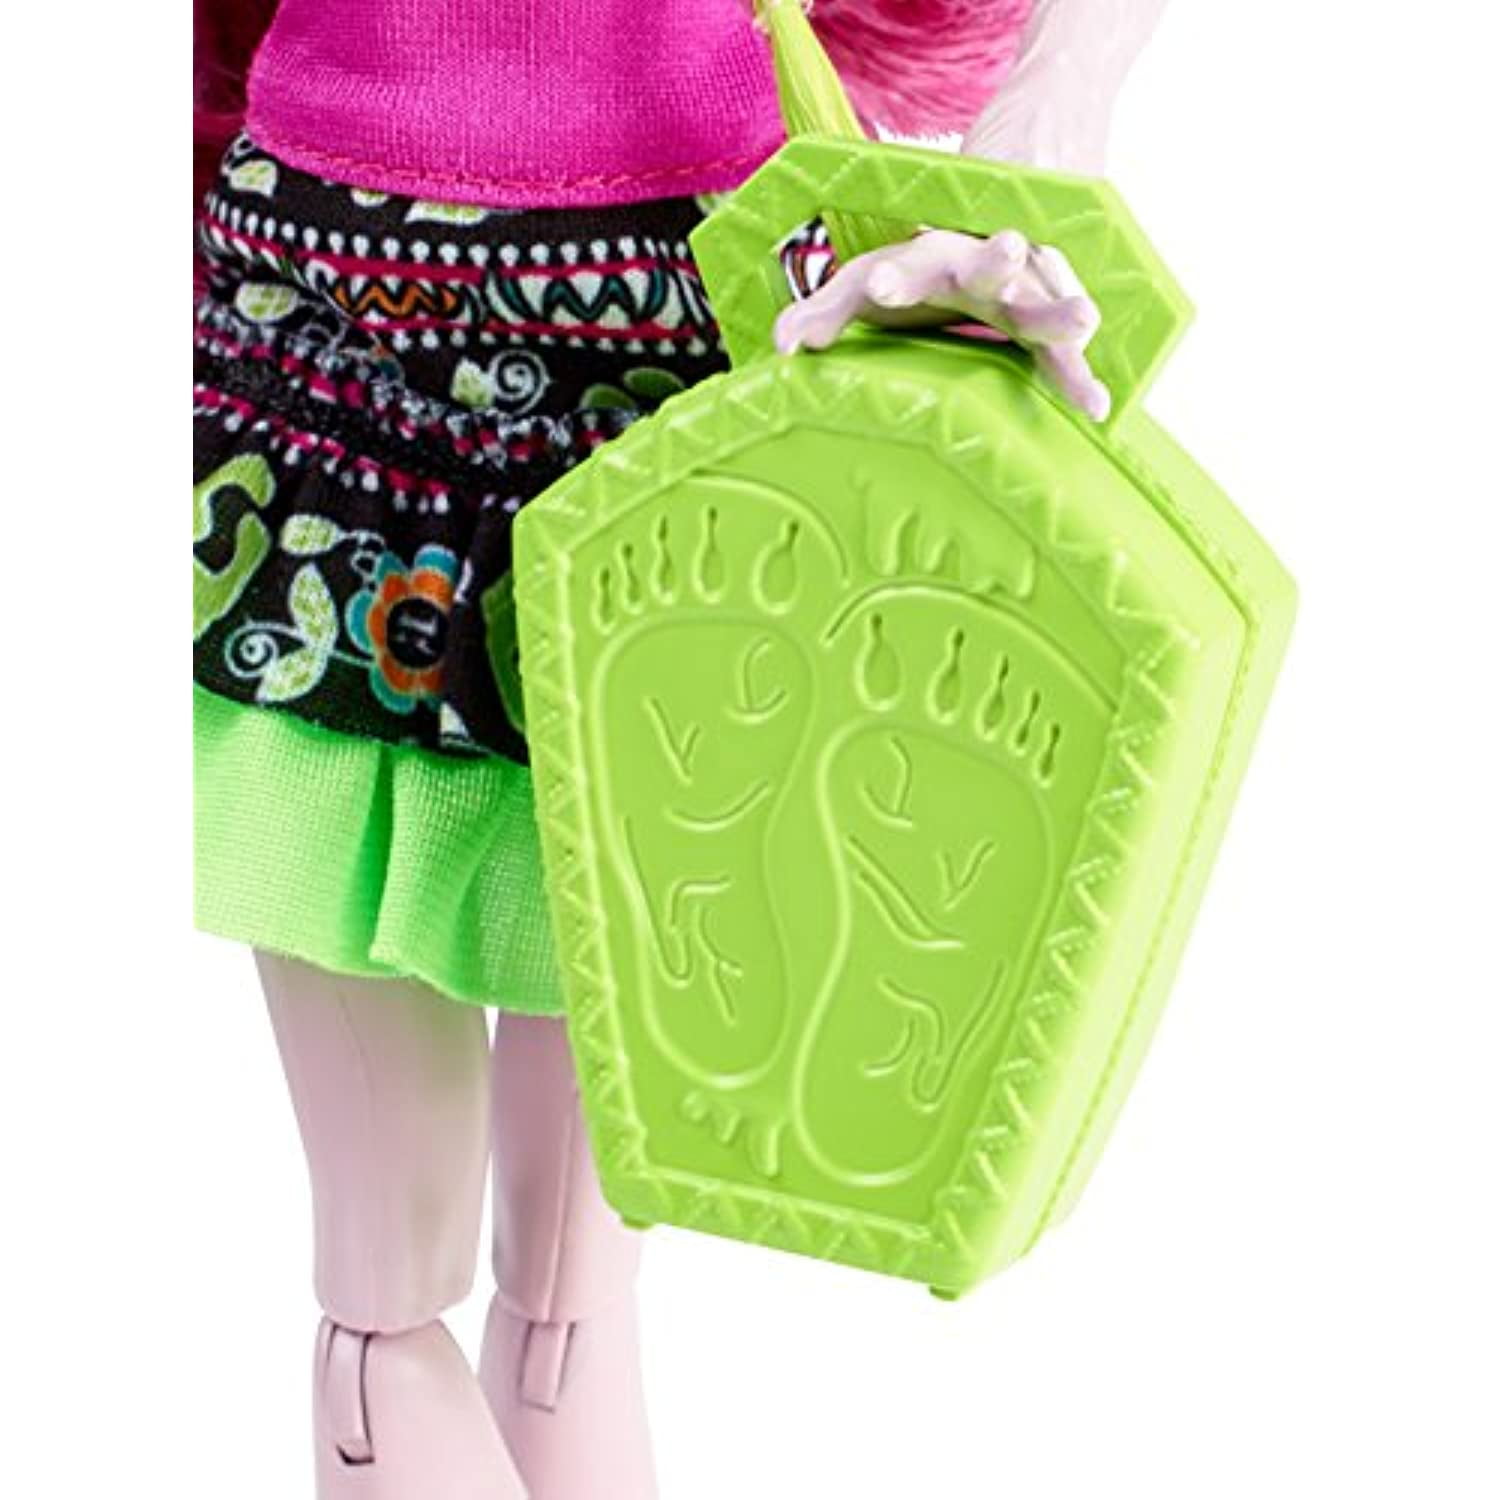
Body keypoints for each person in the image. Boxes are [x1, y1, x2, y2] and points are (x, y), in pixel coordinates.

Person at [192, 2, 1165, 1494]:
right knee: (402, 1277)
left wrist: (1031, 143)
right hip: (330, 326)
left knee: (566, 1270)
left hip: (694, 304)